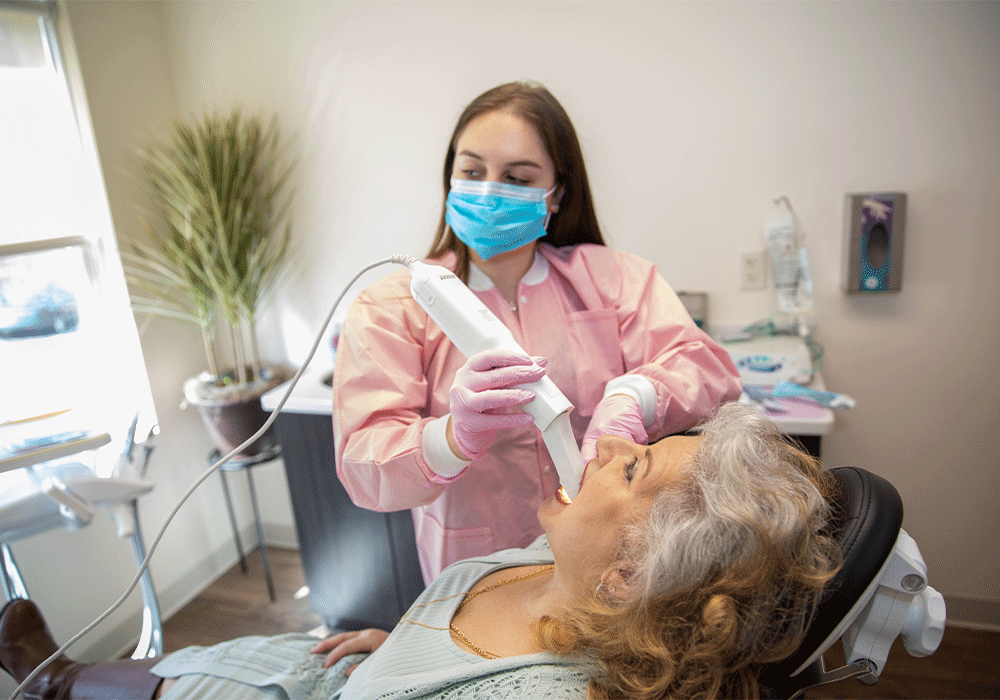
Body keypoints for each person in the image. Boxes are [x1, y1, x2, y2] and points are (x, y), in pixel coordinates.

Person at [1, 403, 840, 700]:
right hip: (335, 665)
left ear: (627, 575)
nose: (600, 445)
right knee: (187, 669)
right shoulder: (545, 570)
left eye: (631, 464)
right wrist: (403, 651)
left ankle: (52, 684)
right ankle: (58, 679)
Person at [333, 80, 741, 583]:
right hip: (473, 573)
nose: (488, 190)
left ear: (556, 194)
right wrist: (450, 438)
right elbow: (362, 464)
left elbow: (706, 367)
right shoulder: (391, 307)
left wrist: (635, 398)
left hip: (611, 562)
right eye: (472, 170)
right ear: (450, 177)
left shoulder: (613, 280)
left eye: (518, 178)